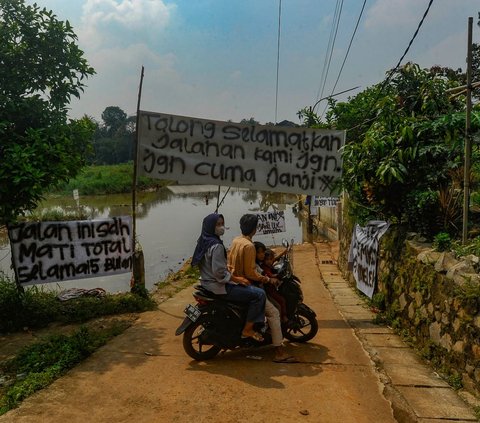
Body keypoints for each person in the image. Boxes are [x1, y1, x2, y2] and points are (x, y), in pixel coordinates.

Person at [229, 214, 297, 363]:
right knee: (274, 312)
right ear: (254, 229)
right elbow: (251, 273)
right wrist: (267, 279)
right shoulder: (249, 246)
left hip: (235, 283)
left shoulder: (236, 240)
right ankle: (279, 352)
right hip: (248, 285)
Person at [191, 213, 266, 341]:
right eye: (218, 224)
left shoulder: (203, 241)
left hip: (206, 283)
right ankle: (247, 329)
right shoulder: (217, 246)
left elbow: (211, 266)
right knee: (259, 294)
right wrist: (238, 279)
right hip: (219, 286)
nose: (221, 227)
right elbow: (219, 273)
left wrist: (227, 270)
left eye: (222, 224)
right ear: (211, 226)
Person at [254, 244, 288, 325]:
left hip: (272, 288)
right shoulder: (262, 267)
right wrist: (277, 276)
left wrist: (283, 254)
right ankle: (282, 319)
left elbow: (274, 260)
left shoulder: (266, 264)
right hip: (269, 291)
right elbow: (269, 275)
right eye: (259, 252)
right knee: (280, 303)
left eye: (263, 252)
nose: (269, 261)